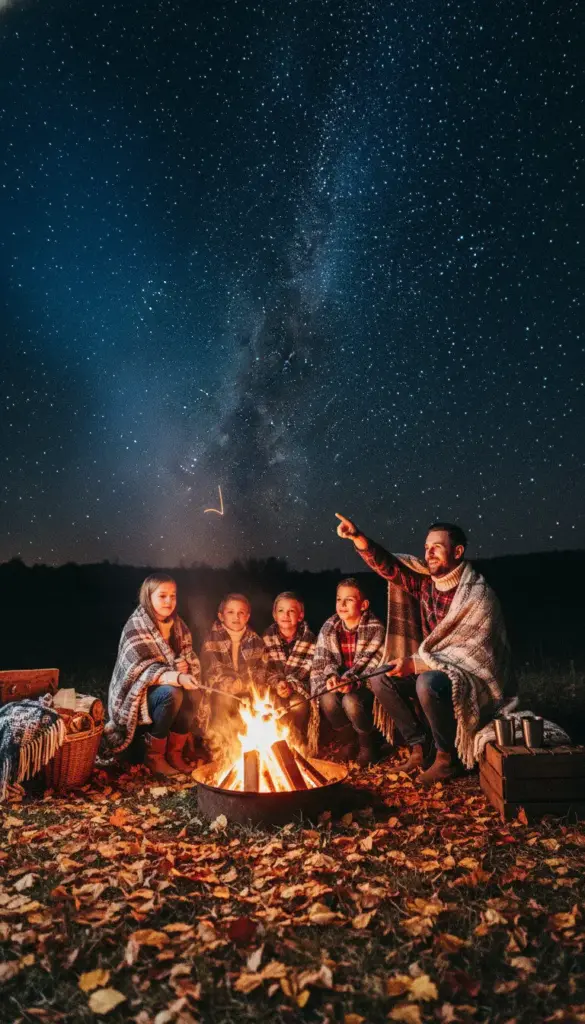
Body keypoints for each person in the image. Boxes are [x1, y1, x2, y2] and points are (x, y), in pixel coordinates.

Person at [335, 513, 515, 784]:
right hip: (432, 665)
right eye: (426, 548)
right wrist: (357, 537)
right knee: (379, 677)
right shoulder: (426, 584)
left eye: (437, 548)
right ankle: (420, 746)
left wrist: (417, 664)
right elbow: (391, 568)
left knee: (426, 682)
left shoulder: (478, 596)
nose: (429, 553)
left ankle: (447, 758)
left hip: (472, 680)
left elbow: (471, 654)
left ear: (458, 551)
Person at [104, 574, 209, 778]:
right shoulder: (136, 626)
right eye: (162, 596)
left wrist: (184, 666)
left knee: (193, 693)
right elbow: (140, 670)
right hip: (139, 694)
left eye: (173, 596)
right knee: (172, 693)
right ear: (148, 597)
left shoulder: (178, 625)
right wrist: (176, 677)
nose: (169, 601)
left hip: (167, 685)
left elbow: (187, 656)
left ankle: (174, 753)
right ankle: (154, 756)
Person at [310, 578, 385, 766]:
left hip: (362, 684)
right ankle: (348, 741)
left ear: (363, 605)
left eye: (349, 600)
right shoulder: (329, 628)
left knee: (350, 701)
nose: (342, 605)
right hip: (340, 682)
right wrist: (331, 677)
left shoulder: (376, 629)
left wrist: (352, 681)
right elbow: (323, 660)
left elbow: (375, 664)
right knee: (327, 698)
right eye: (338, 599)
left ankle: (368, 744)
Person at [263, 592, 318, 753]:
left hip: (299, 686)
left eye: (291, 611)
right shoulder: (266, 638)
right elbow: (264, 668)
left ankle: (296, 741)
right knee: (271, 706)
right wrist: (278, 683)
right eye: (281, 611)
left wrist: (291, 684)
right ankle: (274, 743)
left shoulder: (310, 639)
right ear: (274, 615)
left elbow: (311, 668)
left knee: (298, 705)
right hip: (274, 686)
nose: (286, 615)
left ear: (300, 616)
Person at [201, 594, 268, 722]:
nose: (236, 617)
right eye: (230, 612)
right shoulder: (211, 639)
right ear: (221, 616)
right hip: (220, 689)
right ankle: (219, 738)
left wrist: (244, 684)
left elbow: (261, 670)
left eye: (241, 613)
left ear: (247, 617)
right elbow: (211, 669)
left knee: (257, 701)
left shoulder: (256, 641)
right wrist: (229, 683)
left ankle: (249, 738)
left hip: (247, 687)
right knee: (224, 699)